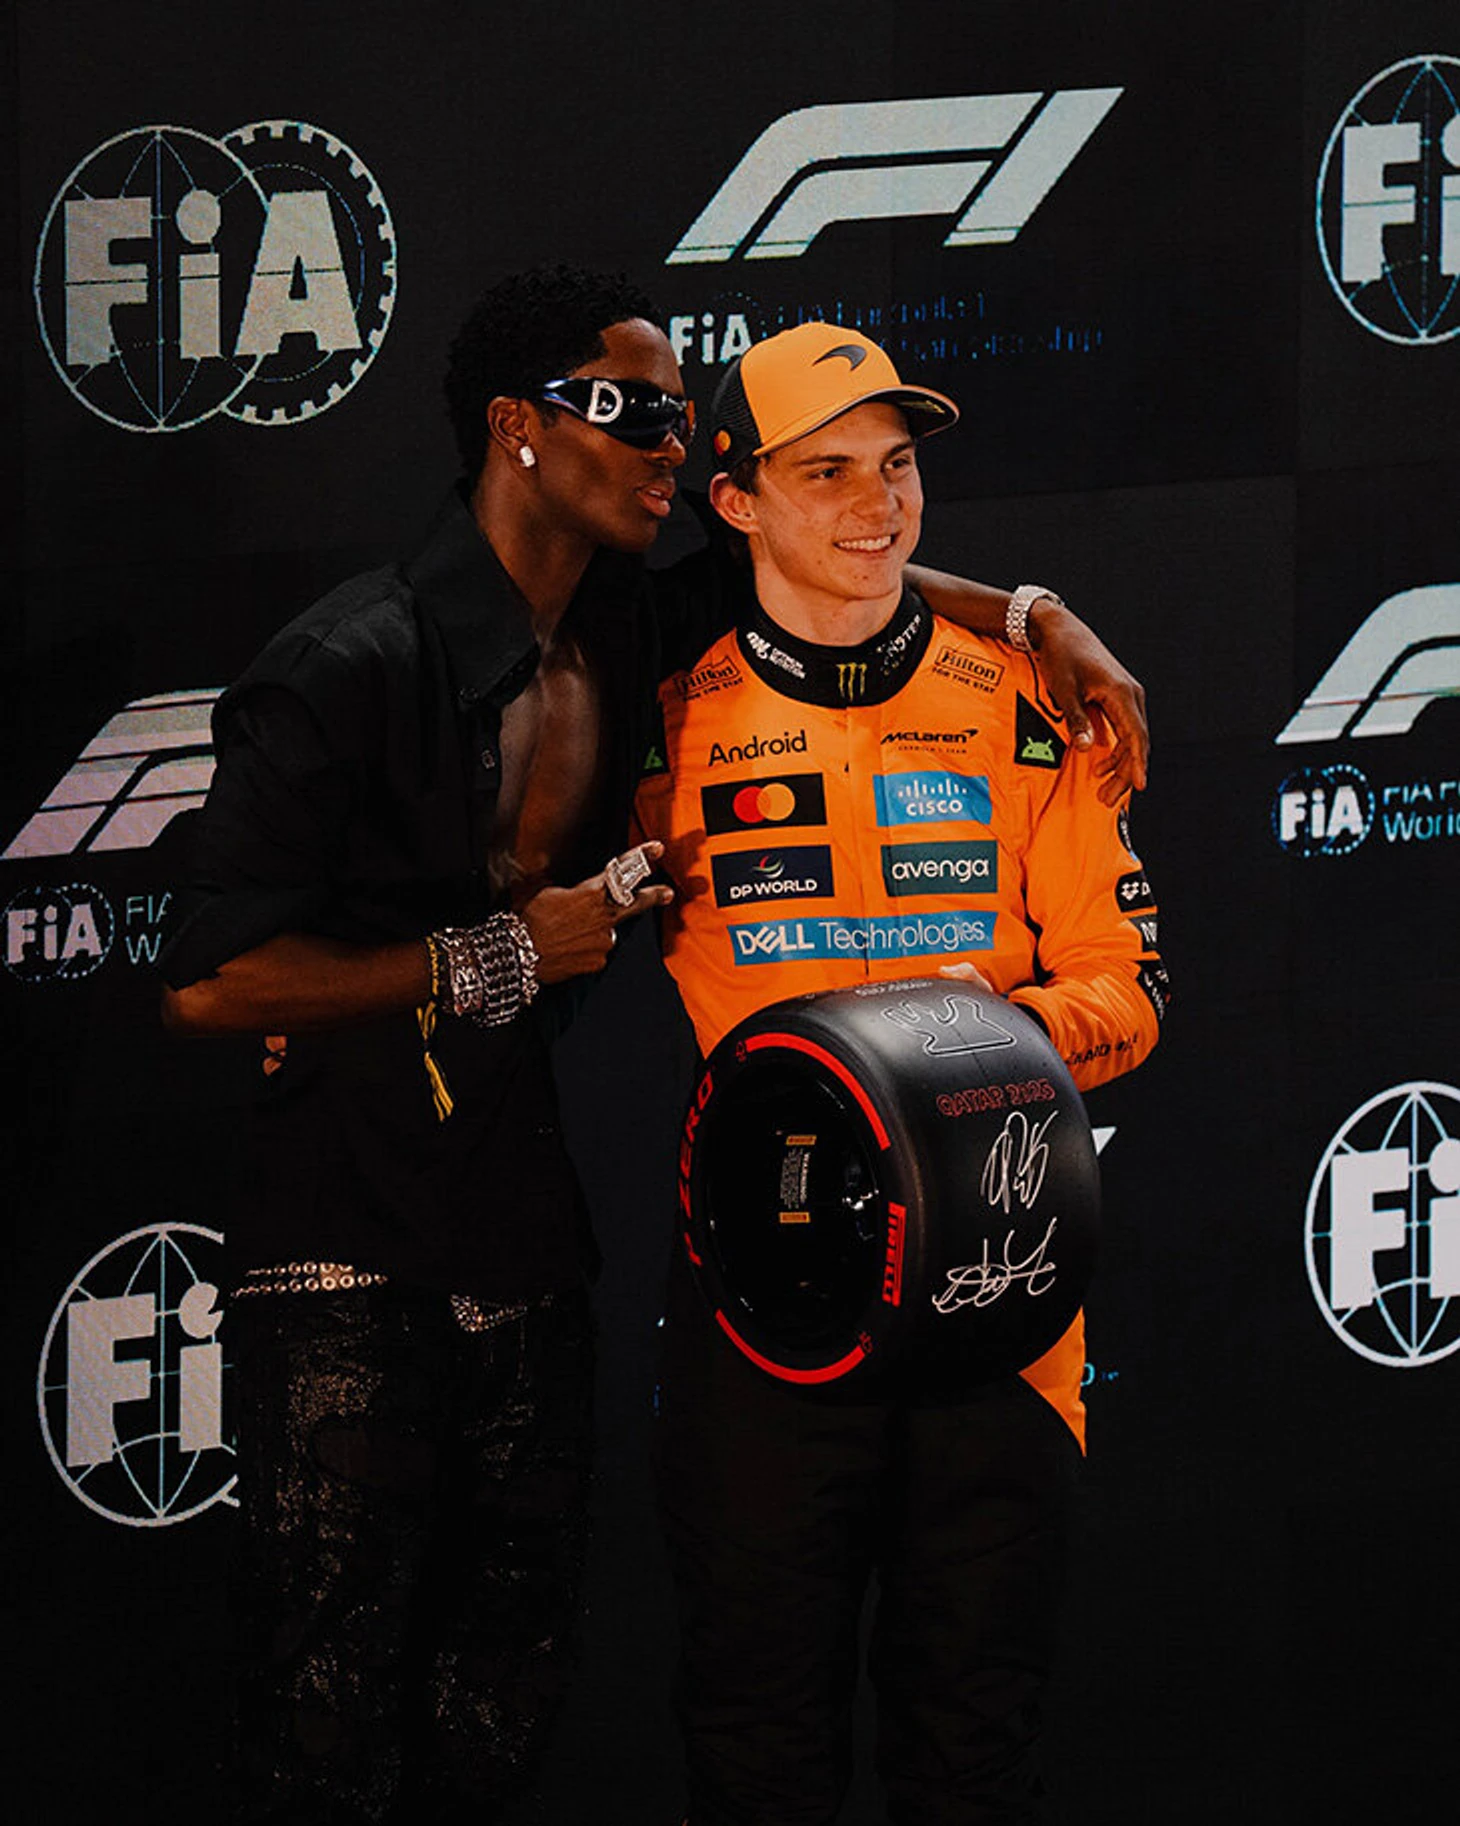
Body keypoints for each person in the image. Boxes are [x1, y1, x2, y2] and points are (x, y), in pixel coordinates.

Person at [160, 268, 1150, 1825]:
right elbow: (210, 978)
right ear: (524, 427)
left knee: (511, 1708)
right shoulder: (425, 662)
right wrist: (473, 960)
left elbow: (858, 574)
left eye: (679, 421)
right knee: (353, 1714)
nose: (669, 448)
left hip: (665, 1253)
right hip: (433, 1248)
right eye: (632, 412)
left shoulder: (678, 635)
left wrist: (1040, 616)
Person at [634, 321, 1168, 1825]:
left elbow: (1130, 989)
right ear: (735, 501)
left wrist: (966, 1051)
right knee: (756, 1759)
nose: (879, 504)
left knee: (974, 1757)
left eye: (898, 464)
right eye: (827, 473)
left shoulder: (1032, 700)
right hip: (764, 1306)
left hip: (999, 1308)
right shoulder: (661, 720)